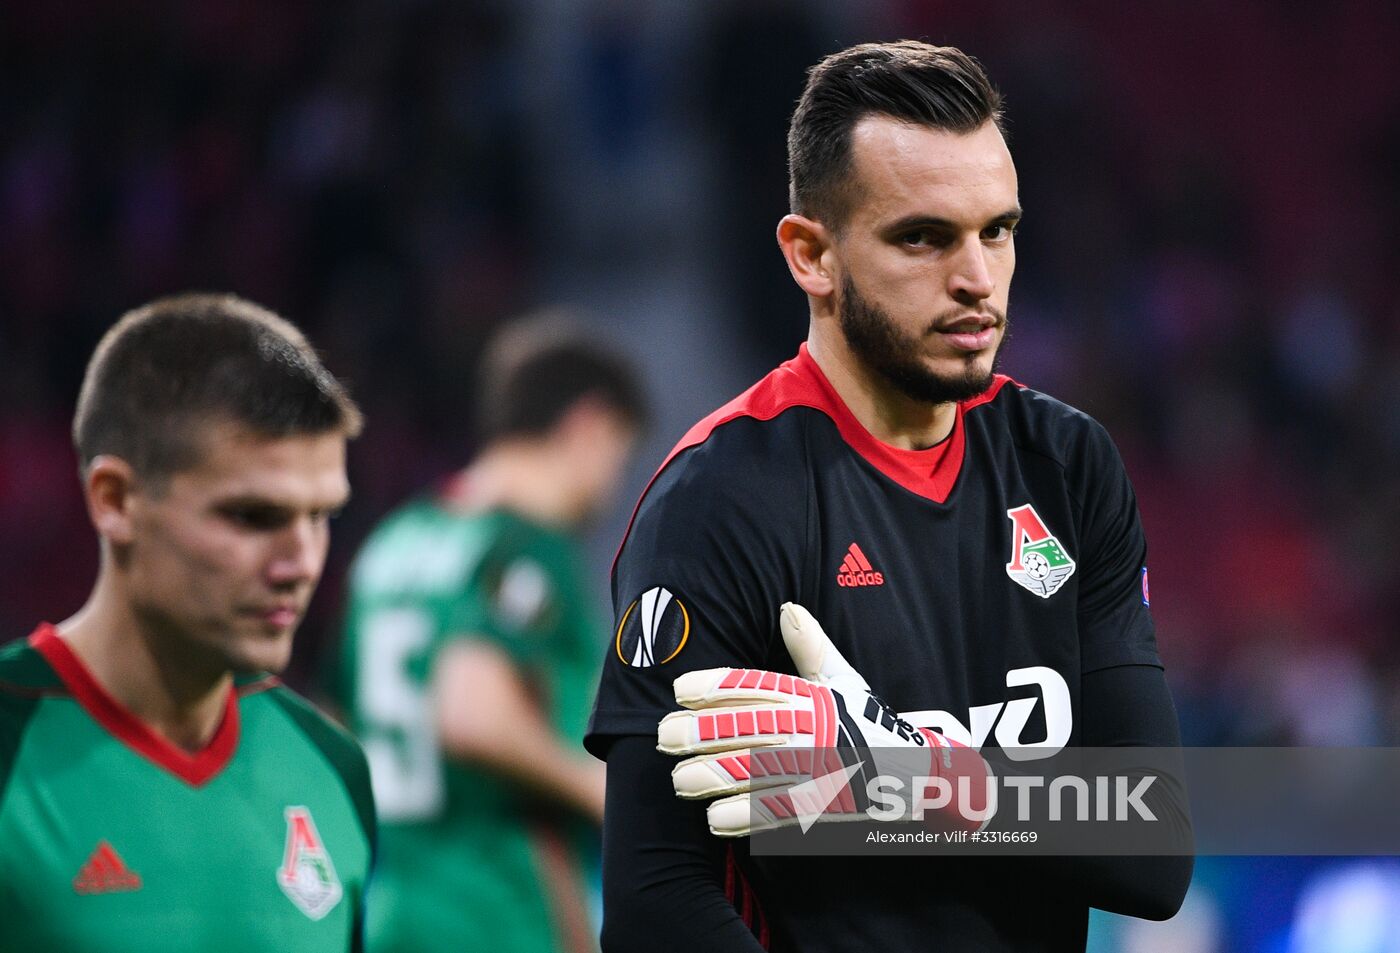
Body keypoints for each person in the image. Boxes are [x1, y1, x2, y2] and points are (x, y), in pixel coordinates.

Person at [586, 41, 1193, 952]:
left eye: (997, 229)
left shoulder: (1068, 466)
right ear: (811, 255)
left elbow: (1153, 851)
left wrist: (908, 777)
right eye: (924, 237)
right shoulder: (719, 501)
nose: (977, 279)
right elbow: (652, 900)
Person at [0, 294, 373, 952]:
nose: (303, 561)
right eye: (254, 516)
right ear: (115, 501)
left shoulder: (329, 764)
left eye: (323, 516)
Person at [335, 316, 647, 953]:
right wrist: (604, 791)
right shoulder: (523, 545)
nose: (614, 485)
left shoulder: (394, 542)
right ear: (589, 425)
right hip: (503, 907)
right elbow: (472, 713)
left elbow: (336, 720)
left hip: (394, 907)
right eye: (621, 453)